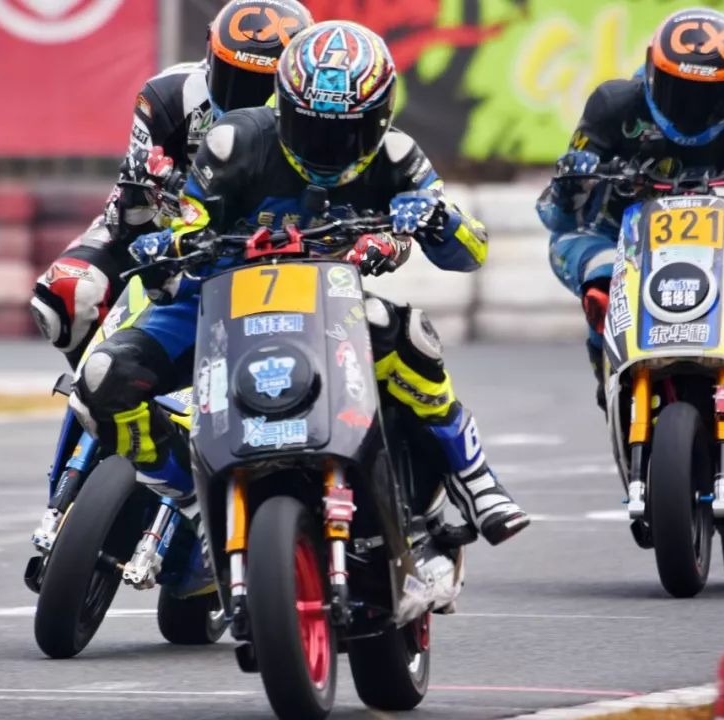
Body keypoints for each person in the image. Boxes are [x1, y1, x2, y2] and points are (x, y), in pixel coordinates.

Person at [71, 20, 530, 547]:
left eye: (346, 132)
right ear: (283, 107)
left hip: (327, 306)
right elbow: (190, 225)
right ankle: (190, 496)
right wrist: (167, 247)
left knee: (409, 334)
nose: (326, 146)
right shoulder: (232, 142)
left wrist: (438, 221)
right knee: (104, 377)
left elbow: (471, 252)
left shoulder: (399, 157)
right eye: (311, 127)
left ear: (380, 118)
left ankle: (474, 477)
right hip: (216, 300)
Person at [30, 0, 315, 368]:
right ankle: (95, 385)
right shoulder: (168, 96)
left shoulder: (315, 113)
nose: (246, 97)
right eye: (235, 78)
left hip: (281, 236)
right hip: (173, 230)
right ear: (211, 56)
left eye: (265, 84)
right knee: (69, 291)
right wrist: (142, 197)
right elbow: (126, 220)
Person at [539, 8, 724, 408]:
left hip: (717, 240)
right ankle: (609, 375)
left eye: (710, 96)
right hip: (611, 235)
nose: (693, 107)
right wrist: (573, 184)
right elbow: (556, 216)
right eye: (680, 92)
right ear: (654, 74)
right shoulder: (614, 106)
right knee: (601, 284)